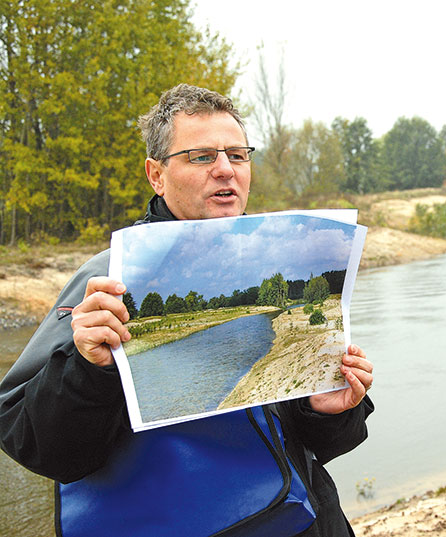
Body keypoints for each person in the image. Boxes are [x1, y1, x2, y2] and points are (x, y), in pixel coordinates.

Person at [0, 84, 374, 535]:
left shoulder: (280, 253)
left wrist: (327, 410)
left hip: (306, 520)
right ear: (156, 174)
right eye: (201, 157)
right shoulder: (108, 280)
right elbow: (40, 448)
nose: (225, 170)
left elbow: (307, 446)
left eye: (238, 155)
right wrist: (88, 368)